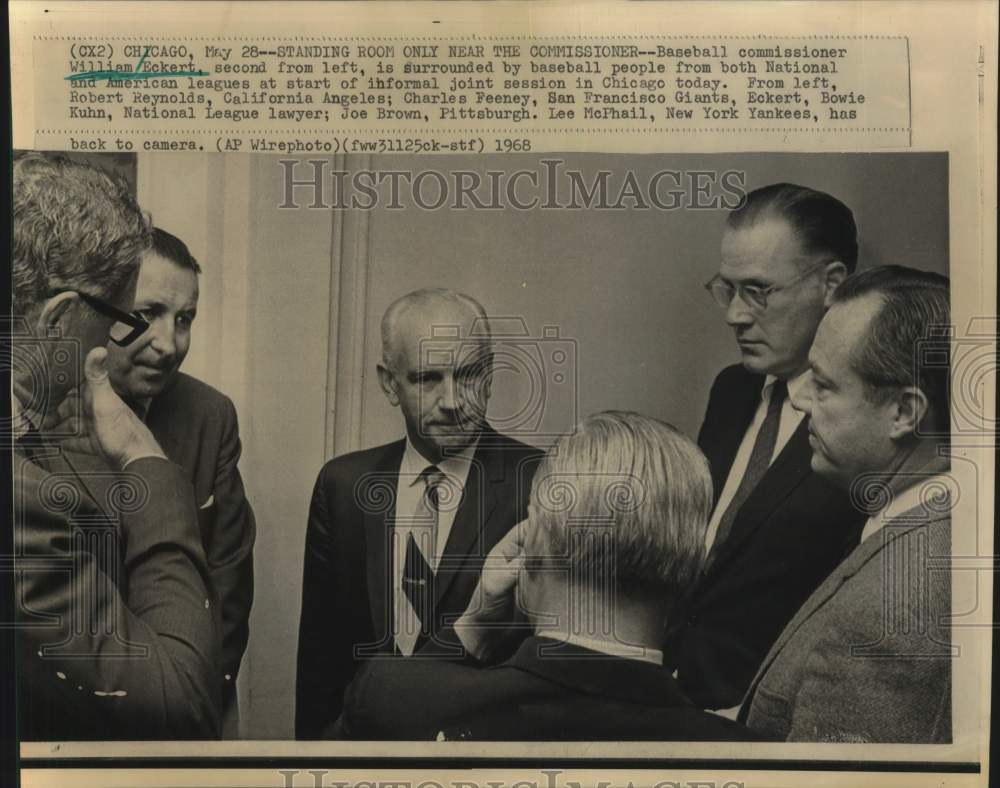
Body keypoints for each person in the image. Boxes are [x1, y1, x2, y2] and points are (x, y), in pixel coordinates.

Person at [336, 412, 755, 741]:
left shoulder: (394, 700)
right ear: (692, 570)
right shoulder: (746, 759)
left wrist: (472, 629)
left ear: (531, 542)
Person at [11, 153, 220, 740]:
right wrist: (147, 463)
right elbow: (180, 705)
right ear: (59, 323)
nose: (137, 344)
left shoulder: (209, 417)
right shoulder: (22, 495)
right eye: (119, 323)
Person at [295, 288, 543, 739]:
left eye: (467, 375)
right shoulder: (343, 486)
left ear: (489, 377)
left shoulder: (538, 482)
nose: (452, 401)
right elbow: (320, 657)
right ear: (389, 383)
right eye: (428, 379)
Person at [665, 183, 868, 709]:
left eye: (758, 291)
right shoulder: (732, 390)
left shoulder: (865, 426)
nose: (734, 315)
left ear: (832, 285)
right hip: (673, 697)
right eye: (727, 289)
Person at [740, 266, 952, 742]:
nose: (801, 404)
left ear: (903, 413)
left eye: (824, 384)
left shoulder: (890, 615)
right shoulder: (929, 531)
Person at [103, 228, 255, 718]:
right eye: (147, 314)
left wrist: (190, 696)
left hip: (191, 698)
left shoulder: (209, 415)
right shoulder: (41, 413)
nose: (168, 344)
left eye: (184, 319)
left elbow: (229, 587)